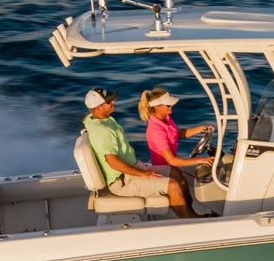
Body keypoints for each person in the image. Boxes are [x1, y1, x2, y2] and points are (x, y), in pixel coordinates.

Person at [82, 87, 199, 220]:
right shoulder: (102, 130)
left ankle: (192, 215)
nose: (113, 102)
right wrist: (143, 174)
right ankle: (189, 222)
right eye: (109, 102)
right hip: (122, 182)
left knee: (175, 172)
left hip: (132, 171)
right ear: (98, 108)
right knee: (172, 185)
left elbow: (87, 118)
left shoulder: (100, 119)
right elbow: (113, 162)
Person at [138, 89, 216, 212]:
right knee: (183, 185)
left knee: (188, 182)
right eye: (168, 105)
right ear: (157, 107)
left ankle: (193, 212)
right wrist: (201, 159)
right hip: (163, 167)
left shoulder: (166, 119)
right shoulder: (156, 130)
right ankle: (190, 215)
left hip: (170, 165)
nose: (171, 107)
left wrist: (202, 128)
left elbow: (178, 133)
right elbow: (172, 160)